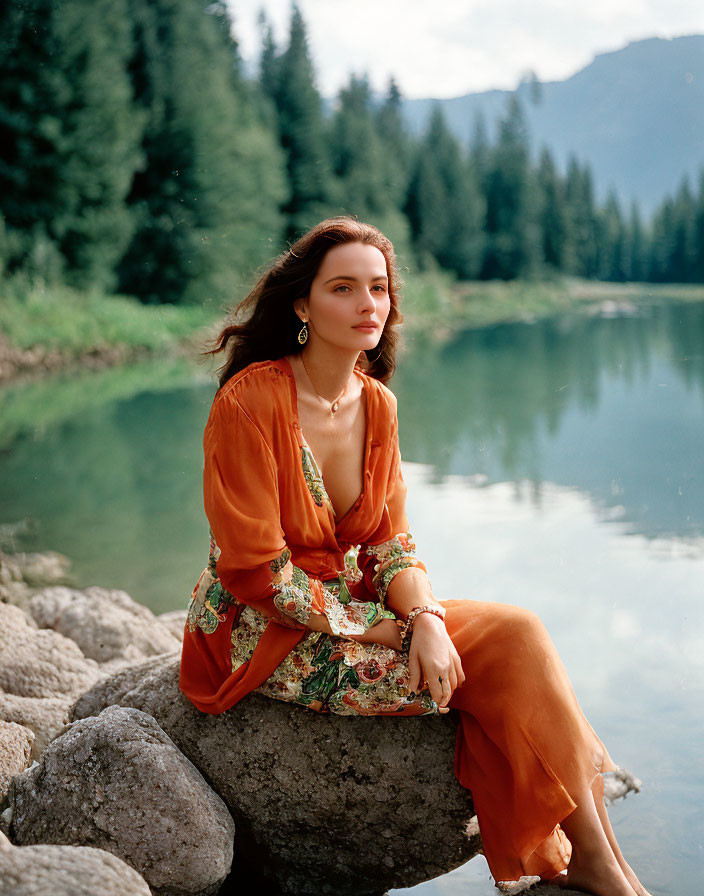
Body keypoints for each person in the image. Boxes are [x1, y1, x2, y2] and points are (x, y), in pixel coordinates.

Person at [179, 217, 650, 896]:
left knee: (515, 635)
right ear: (303, 306)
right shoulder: (249, 404)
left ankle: (601, 866)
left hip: (352, 605)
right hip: (261, 631)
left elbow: (392, 545)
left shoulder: (378, 404)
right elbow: (256, 572)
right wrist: (391, 631)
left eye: (378, 288)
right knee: (497, 668)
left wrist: (425, 617)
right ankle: (602, 869)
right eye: (344, 288)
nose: (368, 304)